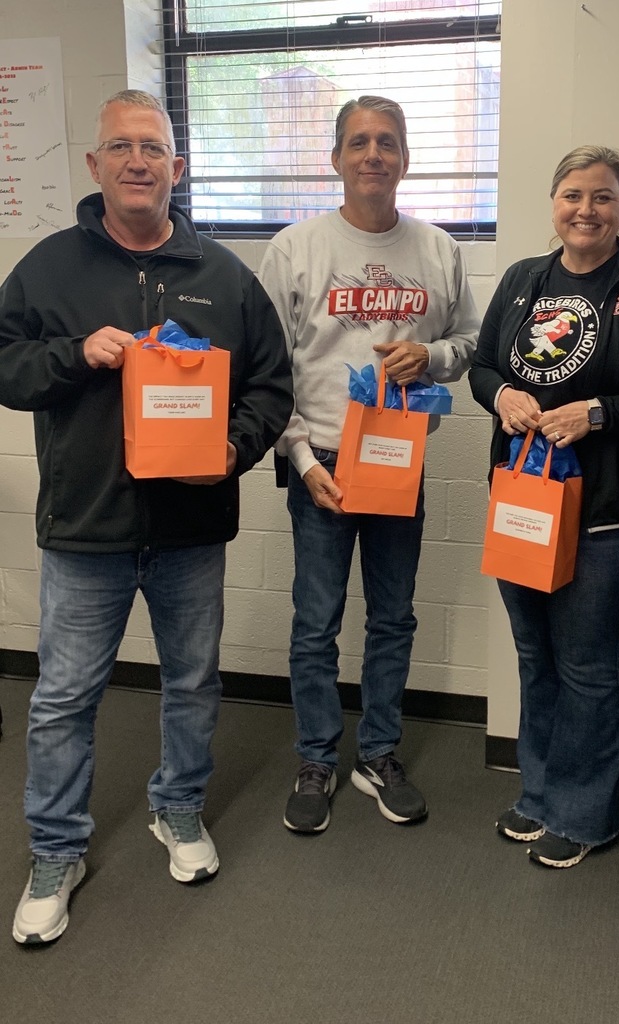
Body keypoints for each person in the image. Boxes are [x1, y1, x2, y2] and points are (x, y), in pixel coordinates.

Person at [0, 90, 293, 944]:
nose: (138, 161)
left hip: (189, 530)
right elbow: (5, 366)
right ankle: (56, 849)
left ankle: (179, 810)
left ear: (178, 165)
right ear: (95, 166)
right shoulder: (50, 267)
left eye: (153, 148)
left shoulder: (224, 275)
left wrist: (226, 451)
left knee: (193, 682)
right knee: (62, 698)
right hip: (85, 529)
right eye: (120, 147)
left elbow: (271, 388)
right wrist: (72, 354)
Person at [469, 146, 619, 868]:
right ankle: (540, 793)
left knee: (583, 660)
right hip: (524, 498)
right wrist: (500, 394)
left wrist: (598, 413)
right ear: (553, 202)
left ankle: (587, 812)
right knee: (534, 652)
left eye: (602, 197)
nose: (585, 209)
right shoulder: (522, 281)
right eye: (572, 194)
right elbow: (484, 365)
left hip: (616, 512)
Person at [259, 95, 479, 833]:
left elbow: (472, 342)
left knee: (393, 617)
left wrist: (434, 356)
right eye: (358, 143)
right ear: (336, 159)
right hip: (319, 459)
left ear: (405, 159)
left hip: (397, 458)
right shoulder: (295, 249)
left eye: (387, 142)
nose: (373, 155)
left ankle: (377, 754)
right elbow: (268, 368)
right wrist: (296, 455)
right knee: (315, 620)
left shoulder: (439, 250)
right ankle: (317, 755)